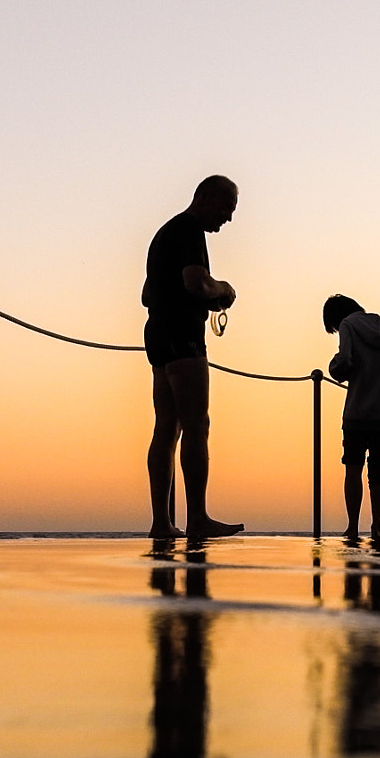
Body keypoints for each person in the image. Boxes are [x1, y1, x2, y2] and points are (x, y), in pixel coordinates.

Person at [142, 176, 245, 540]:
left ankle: (161, 522)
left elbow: (147, 293)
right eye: (225, 209)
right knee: (196, 425)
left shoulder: (164, 234)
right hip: (183, 337)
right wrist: (223, 290)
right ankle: (198, 517)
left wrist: (200, 295)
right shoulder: (188, 232)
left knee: (166, 427)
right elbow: (196, 283)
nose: (227, 219)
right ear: (204, 198)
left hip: (157, 334)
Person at [323, 294, 380, 542]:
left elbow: (345, 361)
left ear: (337, 319)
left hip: (359, 410)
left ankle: (352, 527)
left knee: (353, 467)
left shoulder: (349, 325)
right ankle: (377, 527)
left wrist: (334, 367)